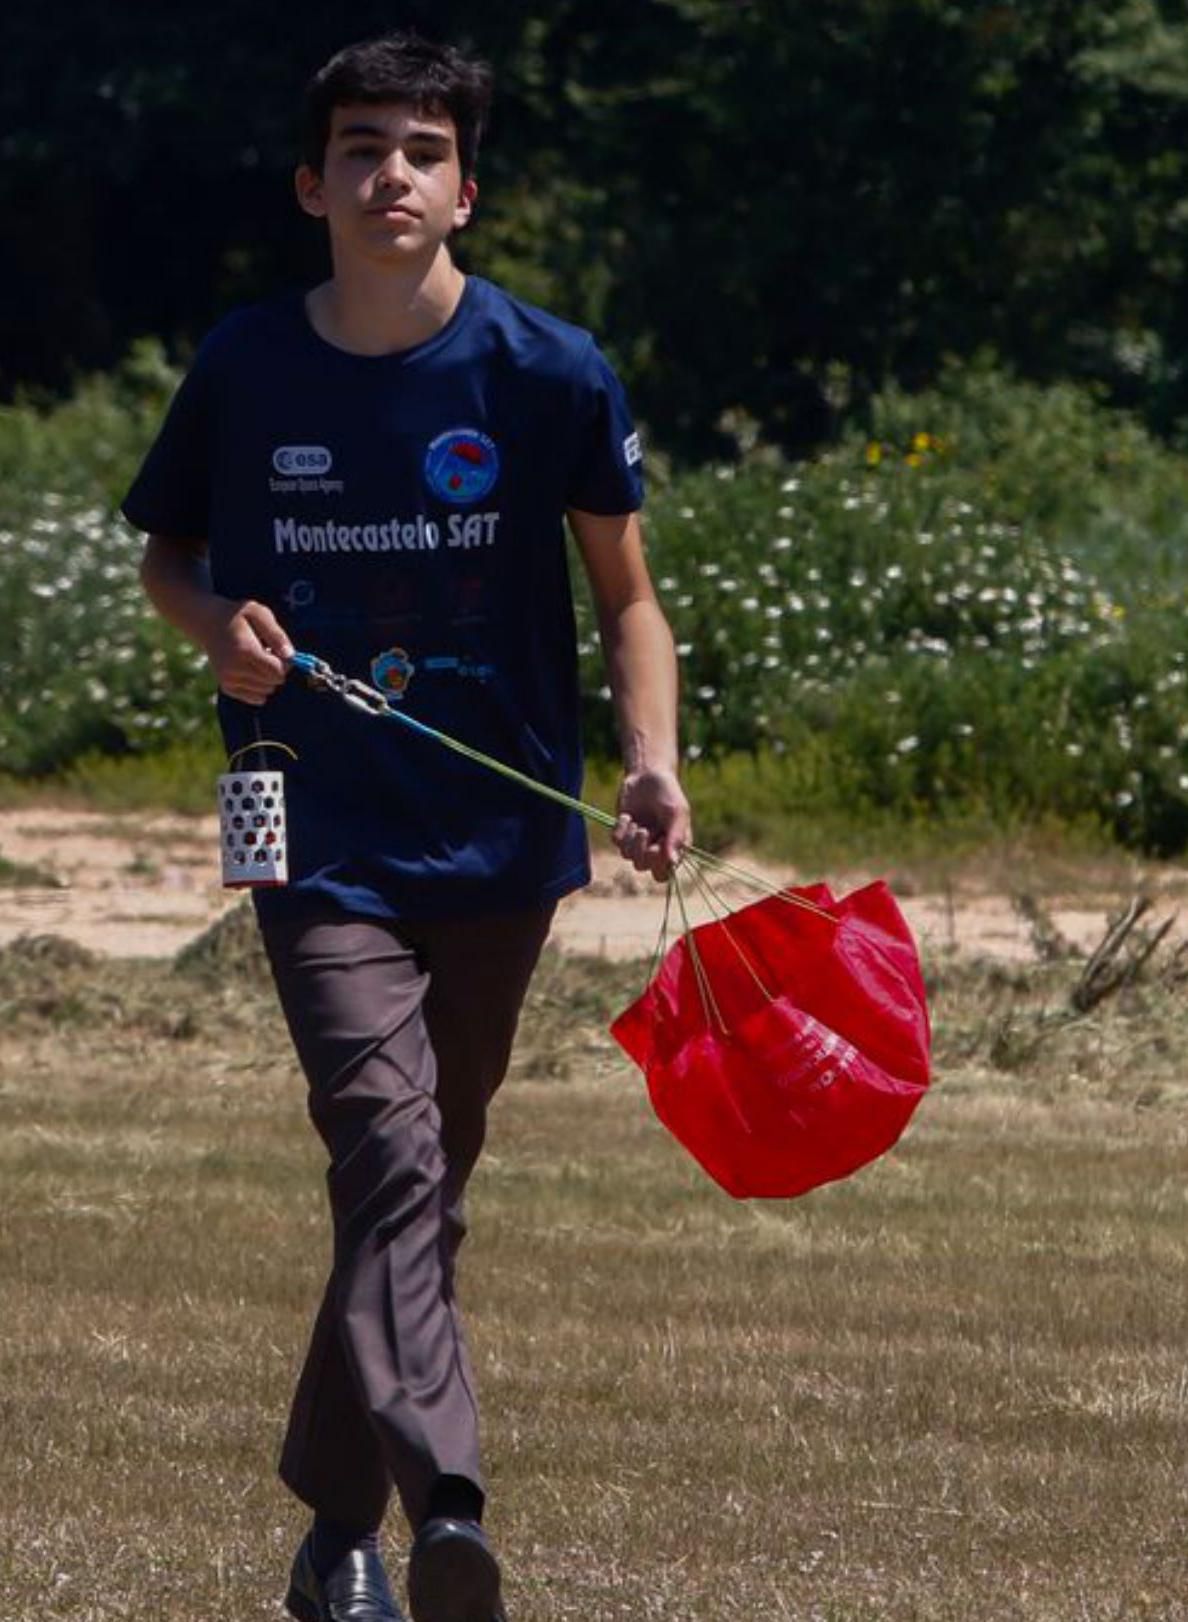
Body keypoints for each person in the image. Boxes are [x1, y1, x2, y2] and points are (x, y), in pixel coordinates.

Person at [124, 30, 690, 1622]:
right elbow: (169, 558)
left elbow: (629, 598)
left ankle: (328, 1536)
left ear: (466, 191)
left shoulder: (550, 372)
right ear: (314, 185)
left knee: (422, 1182)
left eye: (423, 151)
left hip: (504, 841)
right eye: (363, 147)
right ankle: (444, 1502)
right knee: (385, 1144)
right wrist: (212, 617)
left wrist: (650, 758)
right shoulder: (246, 364)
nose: (393, 173)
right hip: (308, 830)